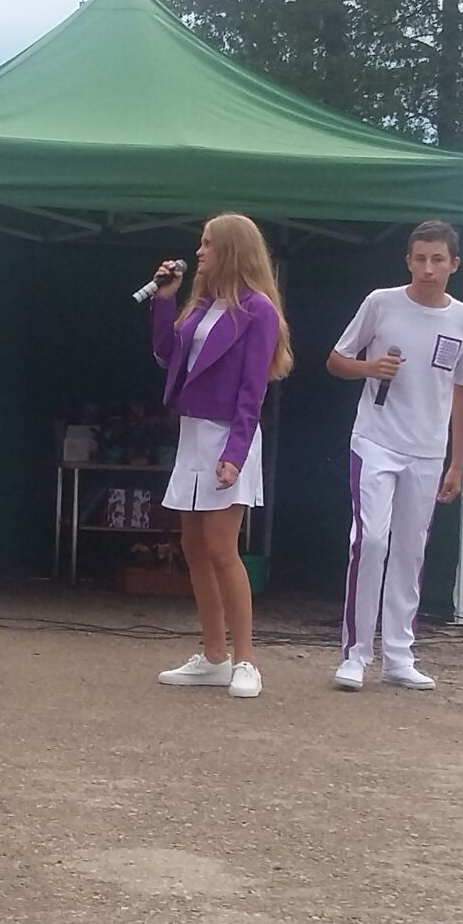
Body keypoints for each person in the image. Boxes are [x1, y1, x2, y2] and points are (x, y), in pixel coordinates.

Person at [327, 220, 463, 692]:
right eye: (420, 259)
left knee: (410, 550)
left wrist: (457, 461)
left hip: (428, 450)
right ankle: (356, 653)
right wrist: (370, 367)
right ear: (408, 261)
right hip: (376, 440)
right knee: (371, 540)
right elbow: (336, 360)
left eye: (438, 260)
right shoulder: (381, 302)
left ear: (455, 264)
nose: (428, 269)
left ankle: (398, 654)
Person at [149, 215, 292, 699]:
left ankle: (246, 659)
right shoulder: (202, 305)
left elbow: (253, 390)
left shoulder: (259, 310)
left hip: (230, 434)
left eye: (209, 244)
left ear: (232, 250)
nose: (200, 251)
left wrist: (235, 453)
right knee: (193, 545)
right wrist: (164, 300)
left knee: (220, 546)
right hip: (192, 433)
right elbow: (168, 355)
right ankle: (214, 656)